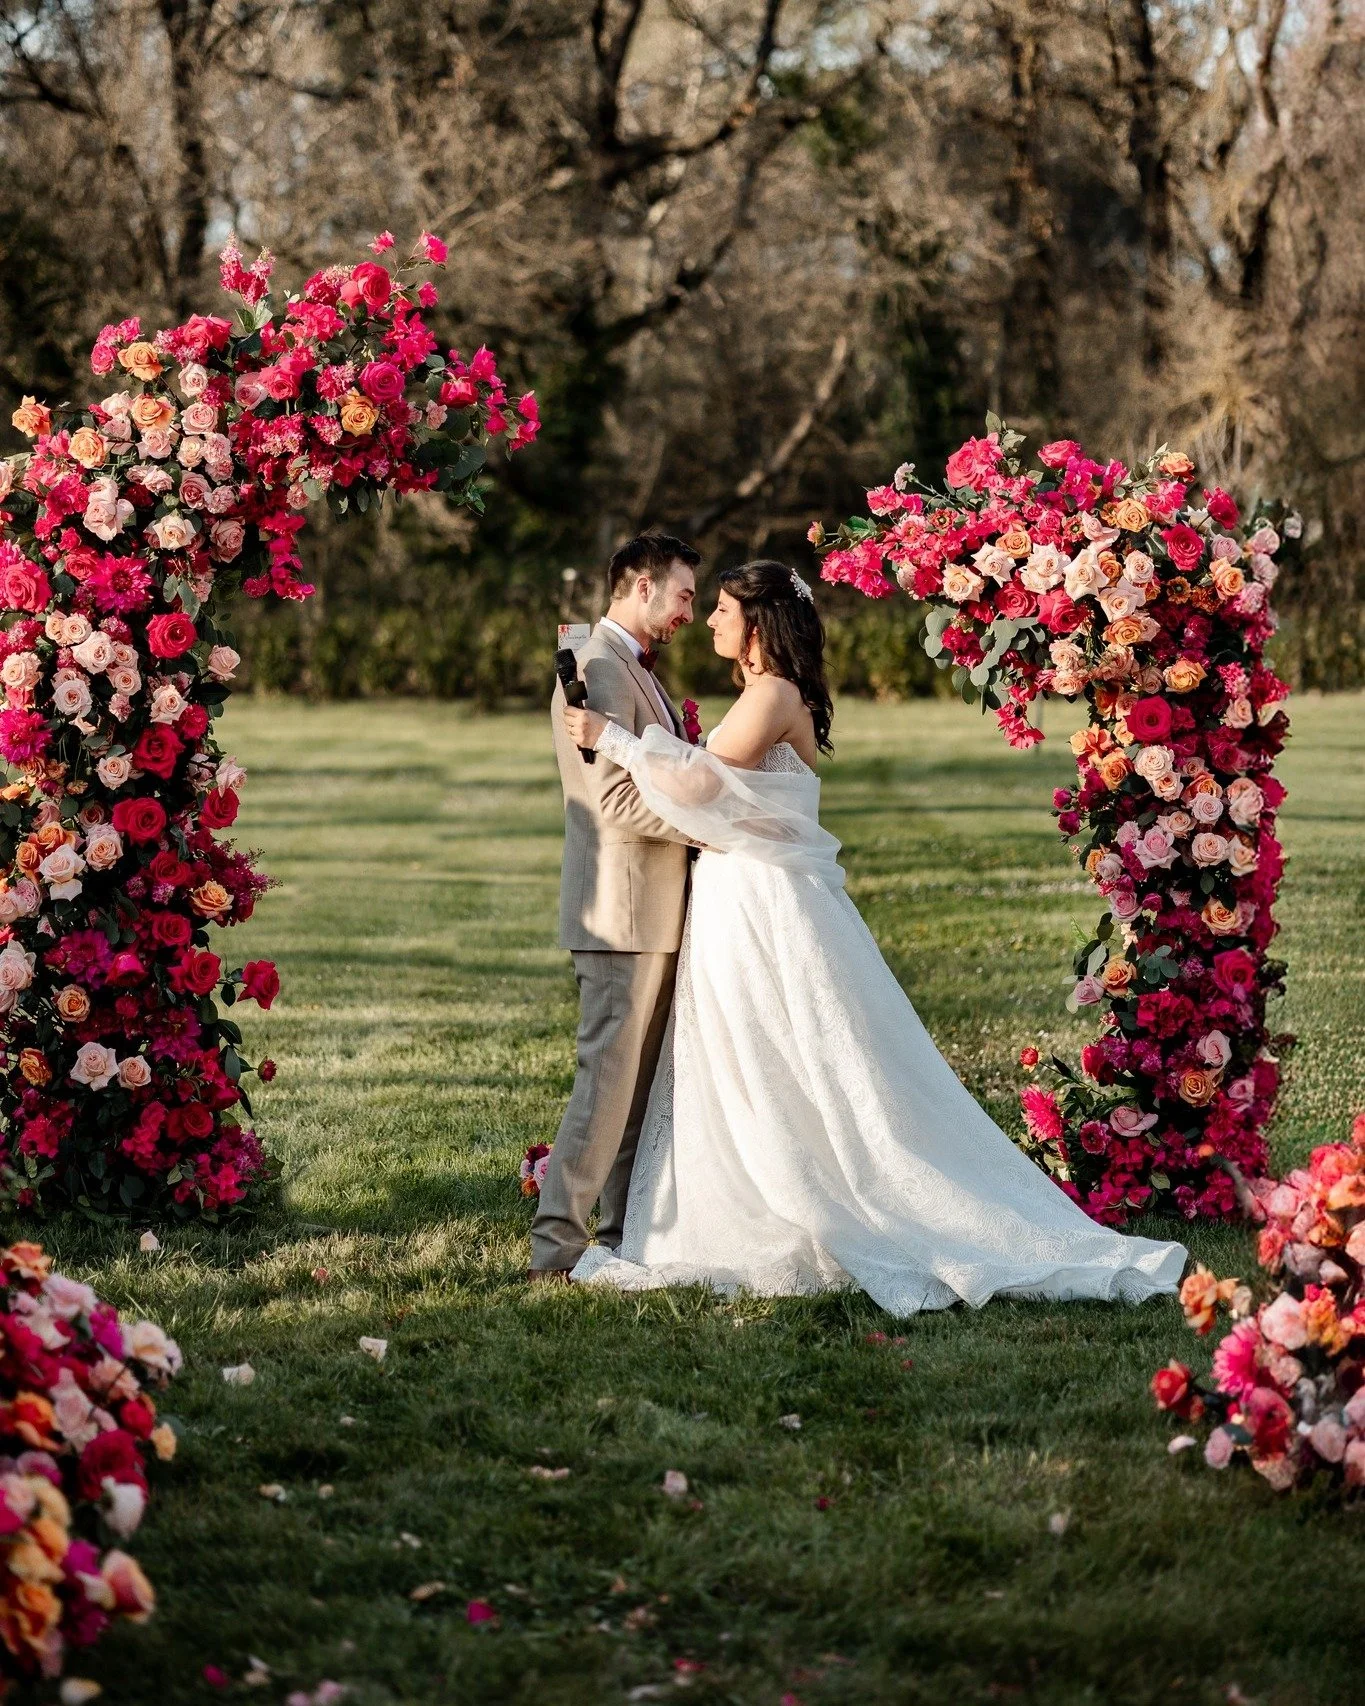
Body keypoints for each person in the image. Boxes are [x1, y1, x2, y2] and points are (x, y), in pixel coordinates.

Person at [559, 559, 1188, 1315]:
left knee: (789, 1053)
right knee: (744, 1054)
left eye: (723, 609)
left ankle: (824, 1198)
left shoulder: (773, 693)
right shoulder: (762, 692)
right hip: (739, 894)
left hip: (762, 901)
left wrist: (617, 741)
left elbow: (700, 785)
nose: (713, 622)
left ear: (757, 625)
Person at [529, 532, 701, 1280]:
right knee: (605, 1086)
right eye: (685, 595)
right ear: (639, 585)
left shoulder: (626, 664)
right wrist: (716, 830)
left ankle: (625, 1234)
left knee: (637, 1091)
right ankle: (554, 1247)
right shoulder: (598, 666)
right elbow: (617, 796)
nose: (690, 612)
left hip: (651, 910)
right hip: (620, 911)